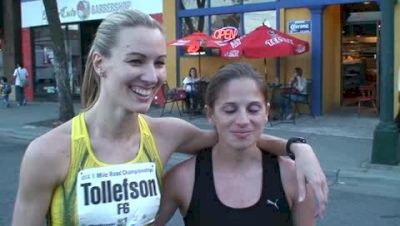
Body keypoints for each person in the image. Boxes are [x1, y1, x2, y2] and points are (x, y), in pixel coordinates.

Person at [12, 10, 327, 226]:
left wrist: (301, 149)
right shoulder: (50, 152)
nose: (151, 76)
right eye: (136, 60)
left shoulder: (166, 134)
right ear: (99, 63)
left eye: (160, 63)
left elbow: (235, 135)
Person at [155, 63, 315, 226]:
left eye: (253, 109)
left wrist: (299, 147)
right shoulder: (181, 179)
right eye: (230, 110)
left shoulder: (293, 177)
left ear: (266, 112)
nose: (243, 121)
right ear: (210, 114)